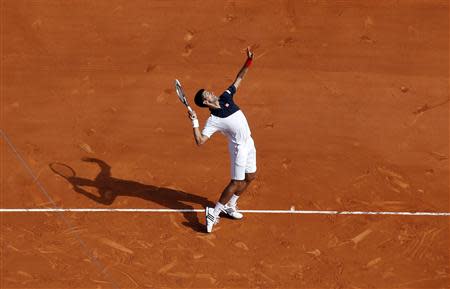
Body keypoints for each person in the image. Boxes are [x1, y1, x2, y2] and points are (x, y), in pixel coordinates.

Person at [187, 48, 257, 233]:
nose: (210, 92)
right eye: (207, 94)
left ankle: (230, 205)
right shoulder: (213, 121)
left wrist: (248, 62)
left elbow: (238, 79)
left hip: (249, 142)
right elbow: (200, 141)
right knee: (236, 182)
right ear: (205, 102)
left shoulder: (226, 97)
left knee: (250, 177)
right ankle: (214, 211)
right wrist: (194, 122)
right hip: (239, 148)